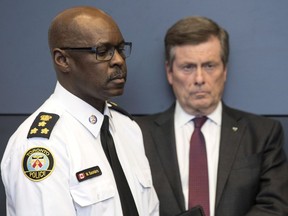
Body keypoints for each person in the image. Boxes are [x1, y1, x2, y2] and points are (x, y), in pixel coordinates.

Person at [1, 6, 159, 216]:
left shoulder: (127, 128)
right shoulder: (42, 146)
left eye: (121, 49)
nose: (119, 60)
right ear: (63, 60)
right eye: (102, 52)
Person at [136, 16, 288, 216]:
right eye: (188, 67)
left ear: (224, 70)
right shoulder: (137, 134)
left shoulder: (262, 134)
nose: (199, 79)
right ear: (170, 72)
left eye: (209, 66)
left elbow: (274, 206)